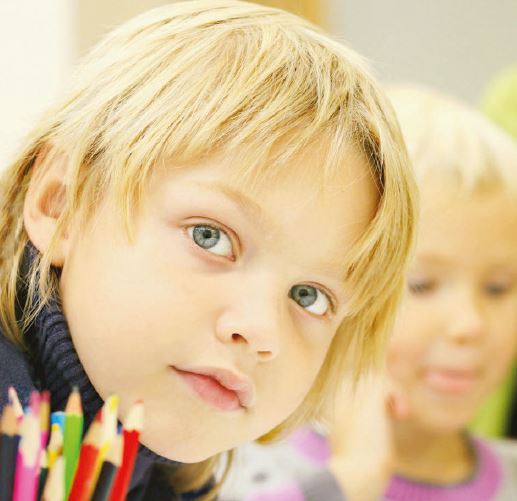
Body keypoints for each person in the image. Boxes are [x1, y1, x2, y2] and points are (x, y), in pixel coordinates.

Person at [0, 1, 416, 499]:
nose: (261, 331)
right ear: (59, 204)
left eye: (309, 296)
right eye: (210, 237)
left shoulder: (166, 474)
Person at [220, 85, 517, 501]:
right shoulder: (231, 472)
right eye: (421, 285)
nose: (470, 324)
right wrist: (354, 476)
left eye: (499, 288)